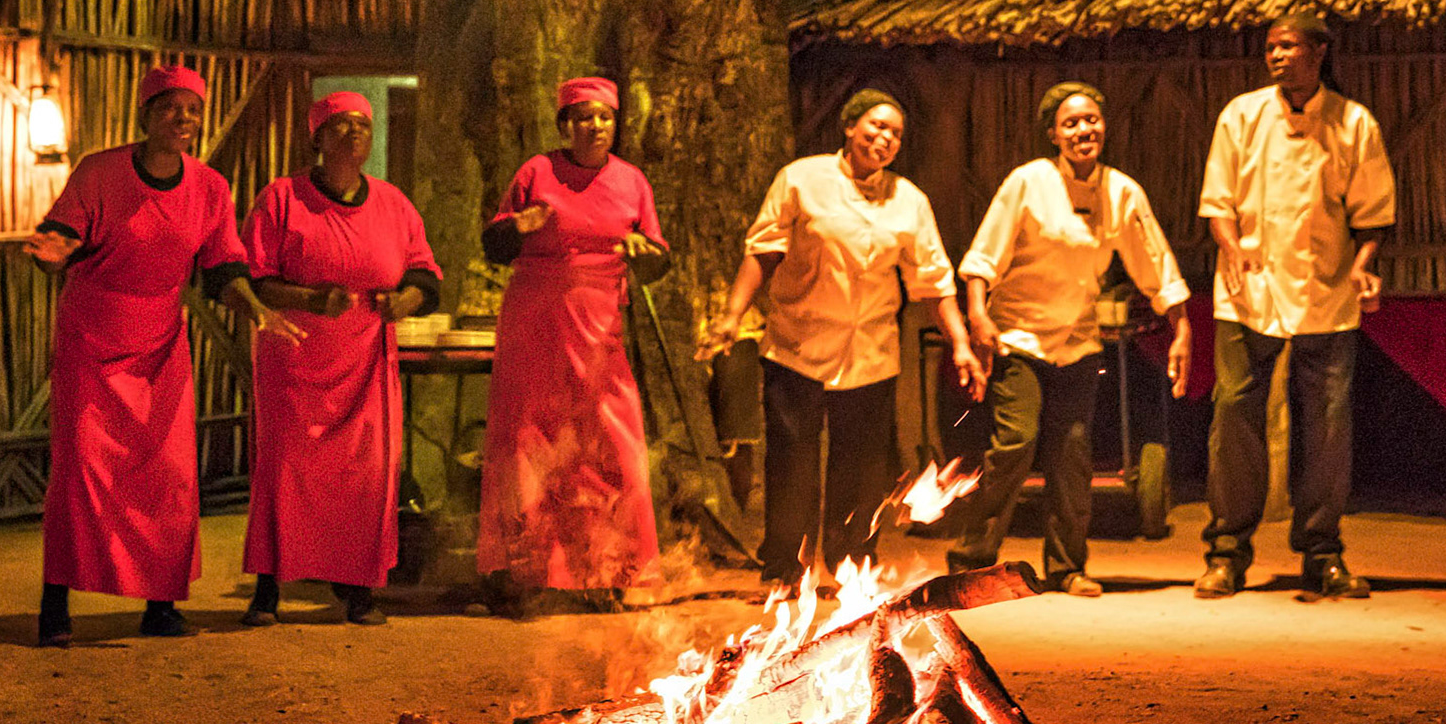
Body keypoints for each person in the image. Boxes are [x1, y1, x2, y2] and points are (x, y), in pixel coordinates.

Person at [25, 65, 298, 646]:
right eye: (171, 108)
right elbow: (61, 235)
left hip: (161, 341)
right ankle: (56, 606)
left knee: (169, 476)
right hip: (92, 337)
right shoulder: (100, 172)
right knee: (81, 472)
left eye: (193, 111)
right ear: (146, 116)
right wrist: (49, 252)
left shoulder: (210, 188)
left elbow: (223, 266)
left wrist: (255, 308)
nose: (184, 120)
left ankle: (162, 603)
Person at [700, 89, 986, 588]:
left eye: (895, 133)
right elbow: (763, 250)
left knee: (862, 465)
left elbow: (934, 283)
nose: (885, 139)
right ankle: (784, 566)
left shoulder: (909, 200)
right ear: (849, 128)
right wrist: (732, 314)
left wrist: (960, 342)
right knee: (793, 460)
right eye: (876, 127)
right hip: (797, 344)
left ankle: (851, 562)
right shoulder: (801, 180)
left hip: (871, 352)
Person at [946, 83, 1193, 596]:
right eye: (1072, 123)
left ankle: (1067, 566)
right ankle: (971, 559)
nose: (1085, 130)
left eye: (1092, 120)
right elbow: (982, 258)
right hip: (1017, 336)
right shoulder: (1028, 182)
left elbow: (1156, 264)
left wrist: (1182, 326)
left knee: (1073, 450)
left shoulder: (1121, 192)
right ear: (1054, 134)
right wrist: (977, 316)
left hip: (1077, 341)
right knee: (1015, 442)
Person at [1194, 13, 1395, 602]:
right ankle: (1227, 552)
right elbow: (1217, 203)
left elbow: (1373, 216)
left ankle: (1322, 552)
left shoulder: (1353, 123)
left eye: (1289, 46)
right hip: (1246, 292)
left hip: (1325, 292)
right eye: (1271, 48)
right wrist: (1234, 251)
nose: (1277, 56)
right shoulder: (1241, 116)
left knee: (1327, 422)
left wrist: (1362, 265)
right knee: (1234, 414)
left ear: (1320, 51)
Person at [240, 91, 441, 626]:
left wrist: (404, 301)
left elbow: (425, 273)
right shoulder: (283, 198)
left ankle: (358, 591)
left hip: (366, 360)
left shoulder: (394, 204)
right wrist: (310, 300)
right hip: (297, 356)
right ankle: (268, 587)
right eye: (341, 126)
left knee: (367, 474)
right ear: (318, 138)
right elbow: (256, 277)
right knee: (285, 469)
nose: (353, 135)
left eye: (362, 127)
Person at [477, 77, 668, 614]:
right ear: (564, 125)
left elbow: (657, 259)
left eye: (604, 117)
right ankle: (526, 573)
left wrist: (642, 251)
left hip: (600, 326)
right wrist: (519, 225)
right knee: (530, 442)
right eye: (583, 117)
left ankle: (611, 569)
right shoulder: (536, 172)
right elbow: (493, 244)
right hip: (535, 323)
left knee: (611, 443)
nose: (595, 126)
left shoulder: (632, 181)